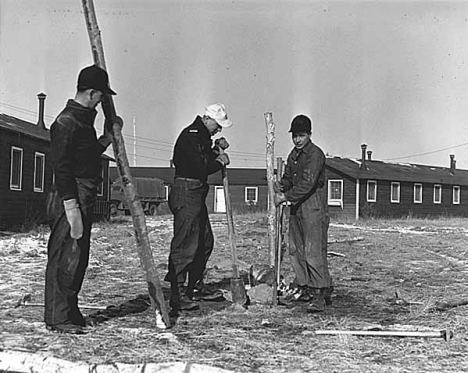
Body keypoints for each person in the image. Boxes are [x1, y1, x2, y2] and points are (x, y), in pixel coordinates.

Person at [45, 65, 120, 334]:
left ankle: (69, 310)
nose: (101, 102)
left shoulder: (83, 121)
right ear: (91, 93)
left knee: (77, 257)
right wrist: (70, 205)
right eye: (100, 97)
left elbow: (86, 156)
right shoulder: (66, 122)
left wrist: (107, 139)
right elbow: (62, 167)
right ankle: (57, 317)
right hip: (70, 194)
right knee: (64, 256)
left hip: (82, 194)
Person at [165, 103, 232, 313]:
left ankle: (195, 287)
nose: (218, 129)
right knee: (186, 244)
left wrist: (215, 149)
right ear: (208, 119)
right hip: (187, 191)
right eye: (218, 126)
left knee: (204, 241)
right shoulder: (191, 136)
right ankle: (177, 294)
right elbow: (199, 166)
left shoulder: (201, 137)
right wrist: (219, 161)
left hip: (195, 192)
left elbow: (203, 158)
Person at [274, 114, 332, 313]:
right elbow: (290, 177)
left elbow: (307, 183)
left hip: (312, 205)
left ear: (309, 134)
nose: (297, 139)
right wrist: (281, 185)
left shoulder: (315, 154)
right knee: (295, 248)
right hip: (296, 205)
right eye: (295, 136)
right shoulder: (294, 155)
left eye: (301, 135)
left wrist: (285, 196)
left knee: (312, 250)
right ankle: (304, 286)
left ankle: (320, 291)